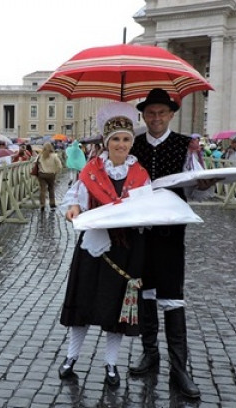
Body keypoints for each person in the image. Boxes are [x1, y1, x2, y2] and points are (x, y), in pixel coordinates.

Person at [127, 88, 215, 399]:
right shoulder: (132, 144)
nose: (156, 118)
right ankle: (150, 353)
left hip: (171, 233)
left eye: (161, 113)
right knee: (143, 294)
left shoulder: (184, 146)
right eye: (150, 113)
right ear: (143, 115)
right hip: (138, 232)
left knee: (173, 296)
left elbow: (199, 192)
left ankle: (180, 369)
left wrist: (204, 185)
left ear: (171, 115)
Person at [58, 102, 150, 387]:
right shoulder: (91, 171)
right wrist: (73, 209)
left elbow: (147, 210)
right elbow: (74, 200)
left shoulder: (140, 175)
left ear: (131, 142)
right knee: (82, 303)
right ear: (107, 143)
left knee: (116, 311)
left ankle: (111, 364)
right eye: (116, 140)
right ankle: (72, 357)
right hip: (93, 247)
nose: (121, 144)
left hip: (124, 249)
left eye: (126, 139)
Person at [35, 142, 63, 210]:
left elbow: (35, 163)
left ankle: (42, 204)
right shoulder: (54, 156)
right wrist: (55, 171)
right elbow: (60, 166)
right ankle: (52, 203)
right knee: (51, 189)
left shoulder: (40, 156)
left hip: (42, 174)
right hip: (51, 174)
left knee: (42, 190)